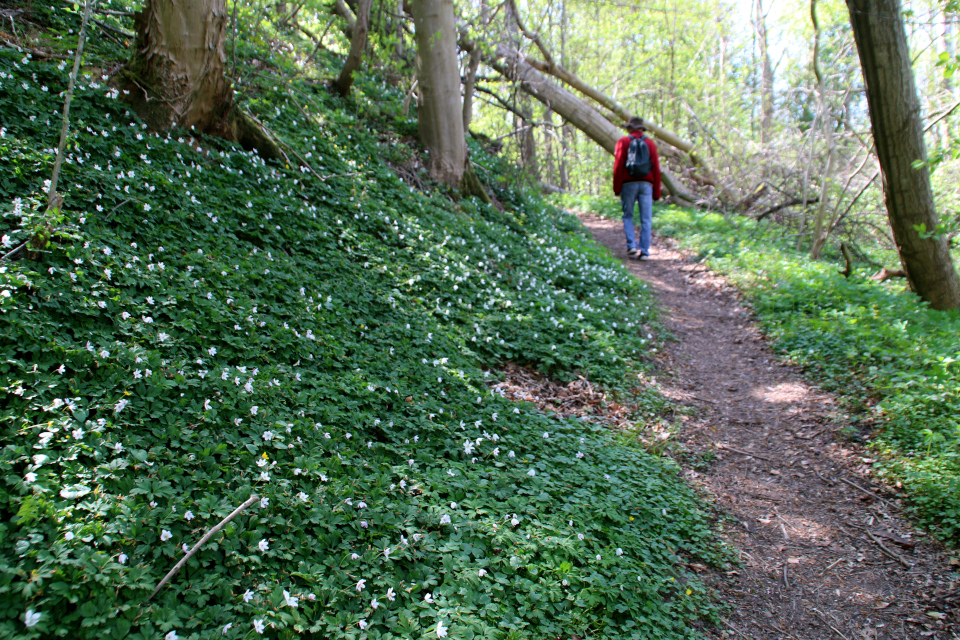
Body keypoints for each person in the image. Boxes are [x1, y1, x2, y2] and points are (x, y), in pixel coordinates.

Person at [613, 117, 661, 260]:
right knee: (646, 218)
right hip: (646, 185)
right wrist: (657, 192)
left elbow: (618, 166)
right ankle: (645, 251)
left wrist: (617, 187)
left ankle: (632, 246)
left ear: (629, 128)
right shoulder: (650, 143)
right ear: (641, 129)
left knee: (628, 215)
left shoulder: (623, 142)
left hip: (628, 184)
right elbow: (656, 169)